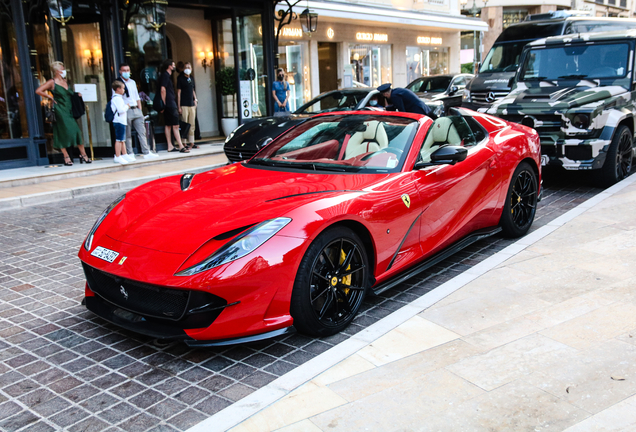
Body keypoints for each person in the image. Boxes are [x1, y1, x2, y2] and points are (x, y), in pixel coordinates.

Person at [35, 61, 92, 166]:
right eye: (62, 69)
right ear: (57, 71)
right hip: (60, 110)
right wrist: (50, 97)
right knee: (62, 132)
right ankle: (66, 156)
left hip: (69, 109)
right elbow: (38, 90)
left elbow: (68, 94)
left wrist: (76, 94)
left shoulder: (65, 81)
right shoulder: (52, 82)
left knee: (76, 132)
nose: (64, 71)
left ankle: (83, 155)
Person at [116, 63, 158, 160]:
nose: (126, 72)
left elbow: (137, 96)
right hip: (126, 110)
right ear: (120, 71)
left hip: (136, 109)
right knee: (127, 134)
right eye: (124, 70)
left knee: (142, 132)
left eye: (128, 70)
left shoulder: (133, 82)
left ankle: (146, 152)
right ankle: (130, 153)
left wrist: (140, 109)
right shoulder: (118, 83)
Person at [159, 59, 188, 153]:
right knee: (175, 125)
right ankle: (180, 145)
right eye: (173, 65)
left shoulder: (166, 76)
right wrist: (164, 103)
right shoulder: (165, 76)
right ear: (169, 66)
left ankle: (170, 145)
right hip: (170, 103)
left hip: (169, 103)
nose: (174, 66)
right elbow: (163, 89)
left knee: (168, 125)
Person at [177, 62, 198, 149]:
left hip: (191, 104)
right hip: (184, 104)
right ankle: (184, 142)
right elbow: (178, 93)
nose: (188, 69)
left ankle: (192, 142)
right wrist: (179, 106)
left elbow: (192, 89)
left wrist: (195, 99)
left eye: (189, 67)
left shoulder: (191, 78)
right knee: (185, 123)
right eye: (186, 67)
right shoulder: (180, 78)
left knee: (192, 124)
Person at [110, 81, 130, 164]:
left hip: (121, 121)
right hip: (119, 121)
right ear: (118, 89)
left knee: (122, 139)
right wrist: (127, 106)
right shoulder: (117, 99)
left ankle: (124, 154)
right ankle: (118, 156)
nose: (124, 90)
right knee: (119, 139)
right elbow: (121, 110)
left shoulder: (118, 98)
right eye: (123, 88)